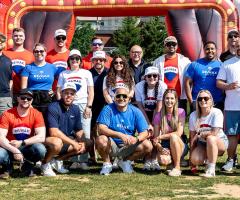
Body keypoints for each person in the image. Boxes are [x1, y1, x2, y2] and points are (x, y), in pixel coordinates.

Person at [96, 87, 153, 175]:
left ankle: (126, 162)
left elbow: (145, 132)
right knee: (101, 139)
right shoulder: (108, 109)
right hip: (111, 144)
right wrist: (120, 135)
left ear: (129, 99)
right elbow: (101, 128)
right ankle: (107, 163)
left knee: (148, 145)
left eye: (124, 96)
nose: (121, 99)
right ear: (114, 98)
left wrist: (136, 139)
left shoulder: (136, 111)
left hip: (129, 145)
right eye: (118, 96)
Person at [41, 82, 92, 176]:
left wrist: (82, 142)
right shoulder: (53, 107)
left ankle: (57, 161)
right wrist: (73, 143)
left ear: (74, 96)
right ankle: (45, 164)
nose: (69, 96)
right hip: (48, 140)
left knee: (88, 143)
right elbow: (54, 132)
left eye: (72, 94)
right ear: (61, 93)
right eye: (66, 93)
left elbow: (79, 130)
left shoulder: (75, 108)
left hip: (66, 139)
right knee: (57, 142)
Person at [57, 49, 94, 170]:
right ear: (68, 60)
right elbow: (58, 91)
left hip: (83, 104)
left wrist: (89, 106)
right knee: (72, 133)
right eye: (72, 58)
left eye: (77, 58)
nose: (74, 61)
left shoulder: (86, 73)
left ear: (80, 61)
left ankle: (83, 160)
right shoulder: (64, 74)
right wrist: (61, 105)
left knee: (85, 133)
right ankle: (74, 160)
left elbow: (91, 92)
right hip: (68, 106)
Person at [0, 89, 46, 179]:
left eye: (29, 98)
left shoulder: (37, 114)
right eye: (23, 97)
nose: (26, 100)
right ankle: (7, 167)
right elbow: (1, 137)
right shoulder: (7, 114)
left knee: (40, 149)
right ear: (18, 99)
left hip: (26, 146)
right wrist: (15, 150)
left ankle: (28, 165)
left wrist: (22, 142)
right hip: (9, 146)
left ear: (31, 100)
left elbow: (41, 137)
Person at [189, 90, 228, 177]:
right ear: (197, 101)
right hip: (202, 143)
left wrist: (200, 135)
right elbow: (192, 138)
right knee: (195, 159)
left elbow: (214, 133)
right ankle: (208, 159)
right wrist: (191, 159)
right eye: (200, 99)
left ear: (211, 101)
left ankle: (211, 169)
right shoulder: (193, 115)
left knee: (211, 138)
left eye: (206, 98)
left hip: (219, 141)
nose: (203, 100)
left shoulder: (217, 112)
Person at [216, 43, 240, 172]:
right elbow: (218, 82)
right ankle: (231, 160)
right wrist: (228, 86)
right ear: (236, 48)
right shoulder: (227, 63)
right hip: (232, 106)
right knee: (232, 135)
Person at [153, 89, 187, 176]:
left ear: (176, 100)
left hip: (180, 143)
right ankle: (171, 164)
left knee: (174, 136)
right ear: (163, 100)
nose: (169, 101)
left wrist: (161, 137)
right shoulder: (158, 115)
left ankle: (177, 167)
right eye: (167, 98)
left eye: (172, 98)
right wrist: (160, 148)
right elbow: (155, 139)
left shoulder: (181, 112)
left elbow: (179, 133)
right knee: (163, 160)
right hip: (166, 145)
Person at [153, 36, 191, 112]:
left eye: (173, 44)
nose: (171, 46)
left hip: (180, 97)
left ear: (177, 46)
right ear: (165, 46)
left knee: (179, 121)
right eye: (168, 44)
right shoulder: (157, 61)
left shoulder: (185, 61)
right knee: (164, 121)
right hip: (164, 97)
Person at [185, 41, 224, 111]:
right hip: (199, 101)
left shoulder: (222, 65)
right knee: (197, 122)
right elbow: (187, 83)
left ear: (216, 50)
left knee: (216, 122)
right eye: (207, 49)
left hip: (217, 102)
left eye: (212, 49)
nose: (210, 51)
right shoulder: (194, 64)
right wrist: (191, 100)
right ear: (204, 50)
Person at [21, 43, 57, 116]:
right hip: (32, 98)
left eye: (41, 51)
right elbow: (23, 88)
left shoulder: (53, 67)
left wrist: (55, 92)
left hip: (47, 98)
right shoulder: (28, 67)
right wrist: (27, 101)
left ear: (45, 53)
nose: (39, 53)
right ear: (33, 53)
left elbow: (62, 81)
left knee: (47, 123)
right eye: (36, 51)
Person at [3, 28, 34, 106]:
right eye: (16, 36)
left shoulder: (31, 55)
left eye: (21, 36)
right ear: (12, 37)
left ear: (24, 37)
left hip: (24, 94)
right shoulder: (4, 53)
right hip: (7, 92)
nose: (18, 38)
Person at [89, 51, 108, 162]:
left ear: (104, 61)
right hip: (93, 104)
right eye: (96, 59)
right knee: (91, 131)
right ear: (93, 61)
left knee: (104, 130)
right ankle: (92, 156)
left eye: (101, 60)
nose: (98, 62)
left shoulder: (109, 72)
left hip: (106, 105)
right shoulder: (88, 73)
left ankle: (106, 153)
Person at [0, 33, 12, 115]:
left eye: (2, 41)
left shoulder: (8, 60)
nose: (0, 42)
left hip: (4, 98)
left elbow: (10, 80)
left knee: (4, 125)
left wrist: (9, 96)